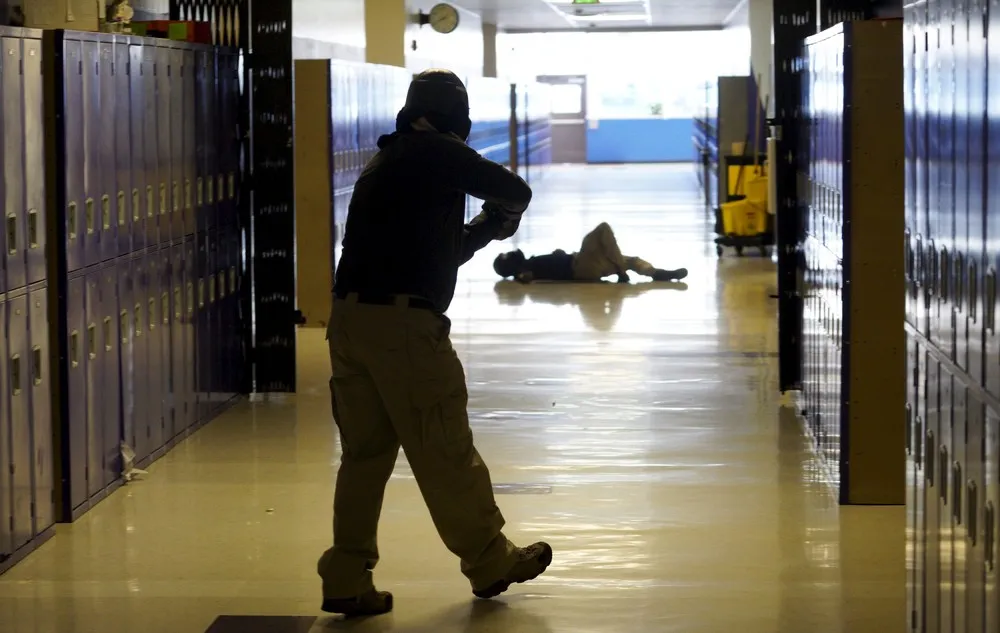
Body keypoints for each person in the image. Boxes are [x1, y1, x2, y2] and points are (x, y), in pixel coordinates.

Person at [319, 69, 553, 618]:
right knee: (443, 446)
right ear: (457, 117)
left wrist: (488, 227)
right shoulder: (437, 152)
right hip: (402, 331)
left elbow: (442, 251)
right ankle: (491, 560)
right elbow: (516, 190)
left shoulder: (392, 157)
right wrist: (507, 213)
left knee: (364, 457)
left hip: (351, 321)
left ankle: (346, 575)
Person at [492, 222, 689, 284]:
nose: (512, 253)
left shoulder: (529, 264)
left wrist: (558, 254)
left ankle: (657, 273)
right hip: (580, 266)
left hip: (585, 266)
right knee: (602, 230)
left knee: (631, 260)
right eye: (508, 256)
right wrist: (523, 276)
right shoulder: (524, 271)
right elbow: (528, 278)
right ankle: (621, 269)